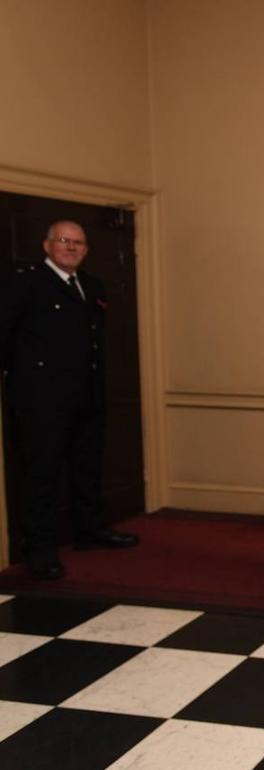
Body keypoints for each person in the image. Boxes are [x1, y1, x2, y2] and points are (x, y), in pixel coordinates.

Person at [0, 220, 139, 580]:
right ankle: (40, 548)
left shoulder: (91, 286)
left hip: (86, 395)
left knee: (86, 468)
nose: (71, 247)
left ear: (86, 250)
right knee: (41, 476)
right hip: (40, 400)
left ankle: (90, 530)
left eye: (78, 243)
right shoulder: (27, 284)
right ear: (48, 246)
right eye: (64, 241)